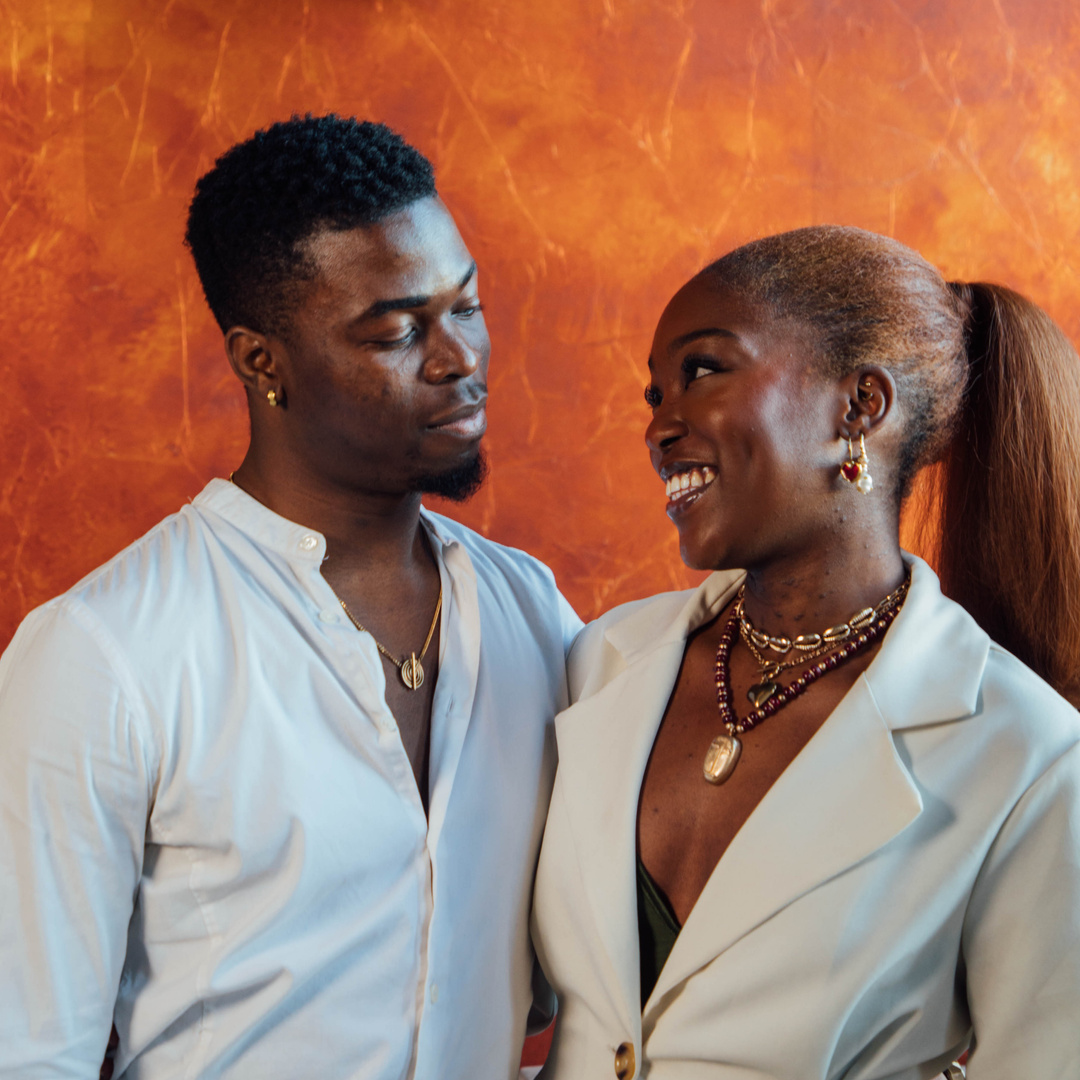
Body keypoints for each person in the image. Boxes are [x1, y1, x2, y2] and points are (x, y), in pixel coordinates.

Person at [0, 114, 580, 1079]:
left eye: (467, 306)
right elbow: (27, 1052)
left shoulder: (534, 612)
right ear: (261, 362)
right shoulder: (102, 654)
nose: (459, 357)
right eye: (397, 331)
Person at [531, 226, 1080, 1079]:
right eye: (655, 394)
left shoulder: (1027, 753)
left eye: (702, 370)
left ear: (860, 406)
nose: (660, 427)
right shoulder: (599, 660)